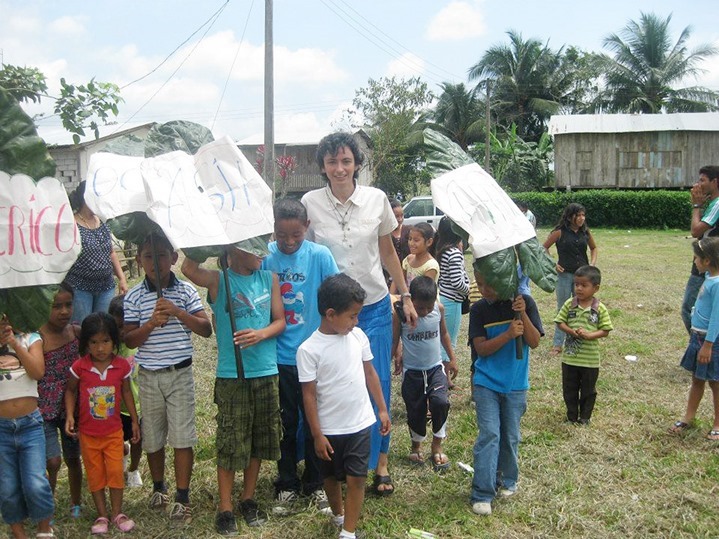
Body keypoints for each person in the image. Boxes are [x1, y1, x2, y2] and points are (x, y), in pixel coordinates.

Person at [301, 132, 417, 497]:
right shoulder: (310, 203)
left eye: (346, 161)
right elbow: (303, 253)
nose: (339, 168)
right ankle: (334, 465)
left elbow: (387, 252)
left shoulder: (376, 199)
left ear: (356, 164)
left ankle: (379, 463)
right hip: (333, 314)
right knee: (331, 387)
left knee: (377, 381)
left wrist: (407, 295)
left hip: (374, 308)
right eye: (332, 162)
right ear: (322, 165)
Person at [182, 237, 285, 535]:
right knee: (231, 439)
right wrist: (216, 241)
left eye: (264, 247)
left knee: (259, 436)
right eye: (255, 249)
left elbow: (280, 322)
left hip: (266, 371)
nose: (262, 255)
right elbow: (188, 267)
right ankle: (225, 507)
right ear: (236, 251)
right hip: (232, 375)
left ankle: (248, 498)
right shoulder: (220, 281)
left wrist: (262, 334)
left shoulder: (270, 278)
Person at [123, 232, 212, 525]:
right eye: (148, 256)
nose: (155, 262)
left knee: (183, 436)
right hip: (149, 375)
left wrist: (176, 312)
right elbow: (130, 339)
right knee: (153, 437)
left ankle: (182, 496)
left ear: (173, 258)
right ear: (138, 260)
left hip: (180, 373)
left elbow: (204, 328)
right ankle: (159, 487)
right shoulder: (134, 296)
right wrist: (151, 322)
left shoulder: (185, 291)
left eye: (162, 255)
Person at [260, 198, 339, 515]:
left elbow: (336, 294)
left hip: (315, 358)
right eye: (282, 236)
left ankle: (316, 483)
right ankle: (287, 483)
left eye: (296, 235)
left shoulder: (320, 256)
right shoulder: (265, 258)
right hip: (279, 356)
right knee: (286, 422)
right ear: (273, 231)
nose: (289, 242)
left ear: (307, 227)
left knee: (315, 423)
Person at [297, 274, 390, 539]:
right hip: (328, 429)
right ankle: (338, 515)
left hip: (360, 423)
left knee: (356, 478)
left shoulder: (358, 337)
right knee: (331, 477)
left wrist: (381, 409)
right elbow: (309, 396)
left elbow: (370, 374)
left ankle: (348, 532)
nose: (356, 322)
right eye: (352, 316)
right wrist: (317, 434)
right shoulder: (309, 350)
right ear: (330, 314)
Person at [468, 272, 543, 517]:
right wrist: (508, 335)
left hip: (515, 385)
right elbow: (481, 349)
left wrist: (522, 314)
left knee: (510, 436)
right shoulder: (479, 310)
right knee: (489, 435)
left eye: (488, 283)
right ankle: (482, 492)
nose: (483, 288)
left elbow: (534, 342)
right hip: (486, 383)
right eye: (479, 283)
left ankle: (508, 480)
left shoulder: (525, 303)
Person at [65, 312, 140, 534]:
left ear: (114, 342)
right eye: (94, 342)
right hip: (88, 434)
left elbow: (127, 393)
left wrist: (135, 421)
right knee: (95, 474)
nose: (100, 348)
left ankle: (117, 513)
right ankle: (102, 515)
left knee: (116, 471)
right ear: (86, 343)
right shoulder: (79, 367)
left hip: (114, 432)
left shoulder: (121, 366)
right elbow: (70, 390)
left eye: (105, 341)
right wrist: (70, 415)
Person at [391, 276, 458, 470]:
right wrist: (395, 356)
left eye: (428, 307)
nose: (425, 312)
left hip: (435, 368)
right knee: (415, 410)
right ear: (410, 300)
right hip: (412, 372)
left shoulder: (439, 309)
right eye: (420, 308)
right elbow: (395, 340)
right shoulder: (401, 315)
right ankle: (416, 446)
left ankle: (437, 445)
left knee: (441, 402)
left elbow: (444, 333)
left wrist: (451, 359)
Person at [0, 319, 55, 539]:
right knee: (7, 486)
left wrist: (14, 342)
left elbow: (38, 372)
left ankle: (44, 528)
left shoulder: (31, 338)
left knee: (35, 482)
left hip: (30, 425)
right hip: (1, 428)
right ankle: (18, 532)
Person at [38, 282, 83, 517]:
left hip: (72, 409)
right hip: (43, 408)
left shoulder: (75, 332)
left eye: (68, 305)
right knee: (52, 461)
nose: (64, 311)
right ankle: (47, 503)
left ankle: (76, 502)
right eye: (57, 306)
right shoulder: (37, 338)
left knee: (73, 458)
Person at [670, 237, 719, 440]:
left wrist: (708, 345)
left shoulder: (717, 284)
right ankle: (688, 417)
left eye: (696, 258)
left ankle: (718, 423)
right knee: (697, 379)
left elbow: (717, 317)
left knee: (715, 383)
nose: (694, 262)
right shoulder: (708, 278)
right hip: (698, 337)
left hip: (710, 342)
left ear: (707, 260)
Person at [553, 265, 614, 425]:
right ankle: (571, 416)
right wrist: (571, 331)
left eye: (584, 285)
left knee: (588, 390)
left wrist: (590, 335)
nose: (579, 288)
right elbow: (560, 322)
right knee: (569, 389)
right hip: (570, 359)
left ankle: (585, 417)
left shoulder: (599, 308)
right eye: (576, 284)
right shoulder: (569, 304)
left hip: (590, 360)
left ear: (596, 288)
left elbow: (605, 330)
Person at [66, 180, 128, 324]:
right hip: (80, 288)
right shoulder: (71, 223)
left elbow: (111, 252)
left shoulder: (102, 221)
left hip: (106, 286)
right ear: (86, 198)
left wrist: (122, 278)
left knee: (103, 327)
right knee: (82, 328)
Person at [543, 203, 598, 355]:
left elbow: (594, 248)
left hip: (582, 277)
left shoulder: (585, 232)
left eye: (583, 215)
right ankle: (557, 344)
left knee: (580, 307)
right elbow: (544, 248)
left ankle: (579, 338)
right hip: (564, 276)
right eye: (578, 215)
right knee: (563, 308)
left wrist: (592, 264)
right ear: (569, 216)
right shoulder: (559, 232)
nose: (581, 218)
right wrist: (553, 263)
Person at [108, 295, 143, 489]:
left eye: (125, 327)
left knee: (138, 439)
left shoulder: (140, 343)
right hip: (114, 406)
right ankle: (122, 454)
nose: (121, 332)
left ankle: (134, 469)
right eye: (117, 327)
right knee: (116, 440)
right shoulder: (106, 348)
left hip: (139, 403)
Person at [681, 166, 719, 333]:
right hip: (705, 262)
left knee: (689, 309)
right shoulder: (712, 204)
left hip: (707, 263)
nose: (698, 184)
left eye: (703, 180)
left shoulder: (718, 204)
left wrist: (696, 205)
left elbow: (696, 231)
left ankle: (700, 343)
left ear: (715, 182)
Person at [435, 216, 470, 366]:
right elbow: (457, 282)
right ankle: (446, 379)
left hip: (443, 297)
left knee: (442, 339)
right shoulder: (454, 253)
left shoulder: (441, 249)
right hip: (452, 301)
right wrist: (469, 290)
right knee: (450, 341)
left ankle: (445, 378)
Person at [398, 223, 439, 291]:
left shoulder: (430, 266)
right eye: (410, 239)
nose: (411, 243)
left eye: (416, 240)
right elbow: (399, 280)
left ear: (429, 242)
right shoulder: (408, 260)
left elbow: (425, 292)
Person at [389, 198, 410, 264]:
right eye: (397, 216)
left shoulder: (409, 230)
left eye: (402, 215)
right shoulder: (384, 234)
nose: (400, 219)